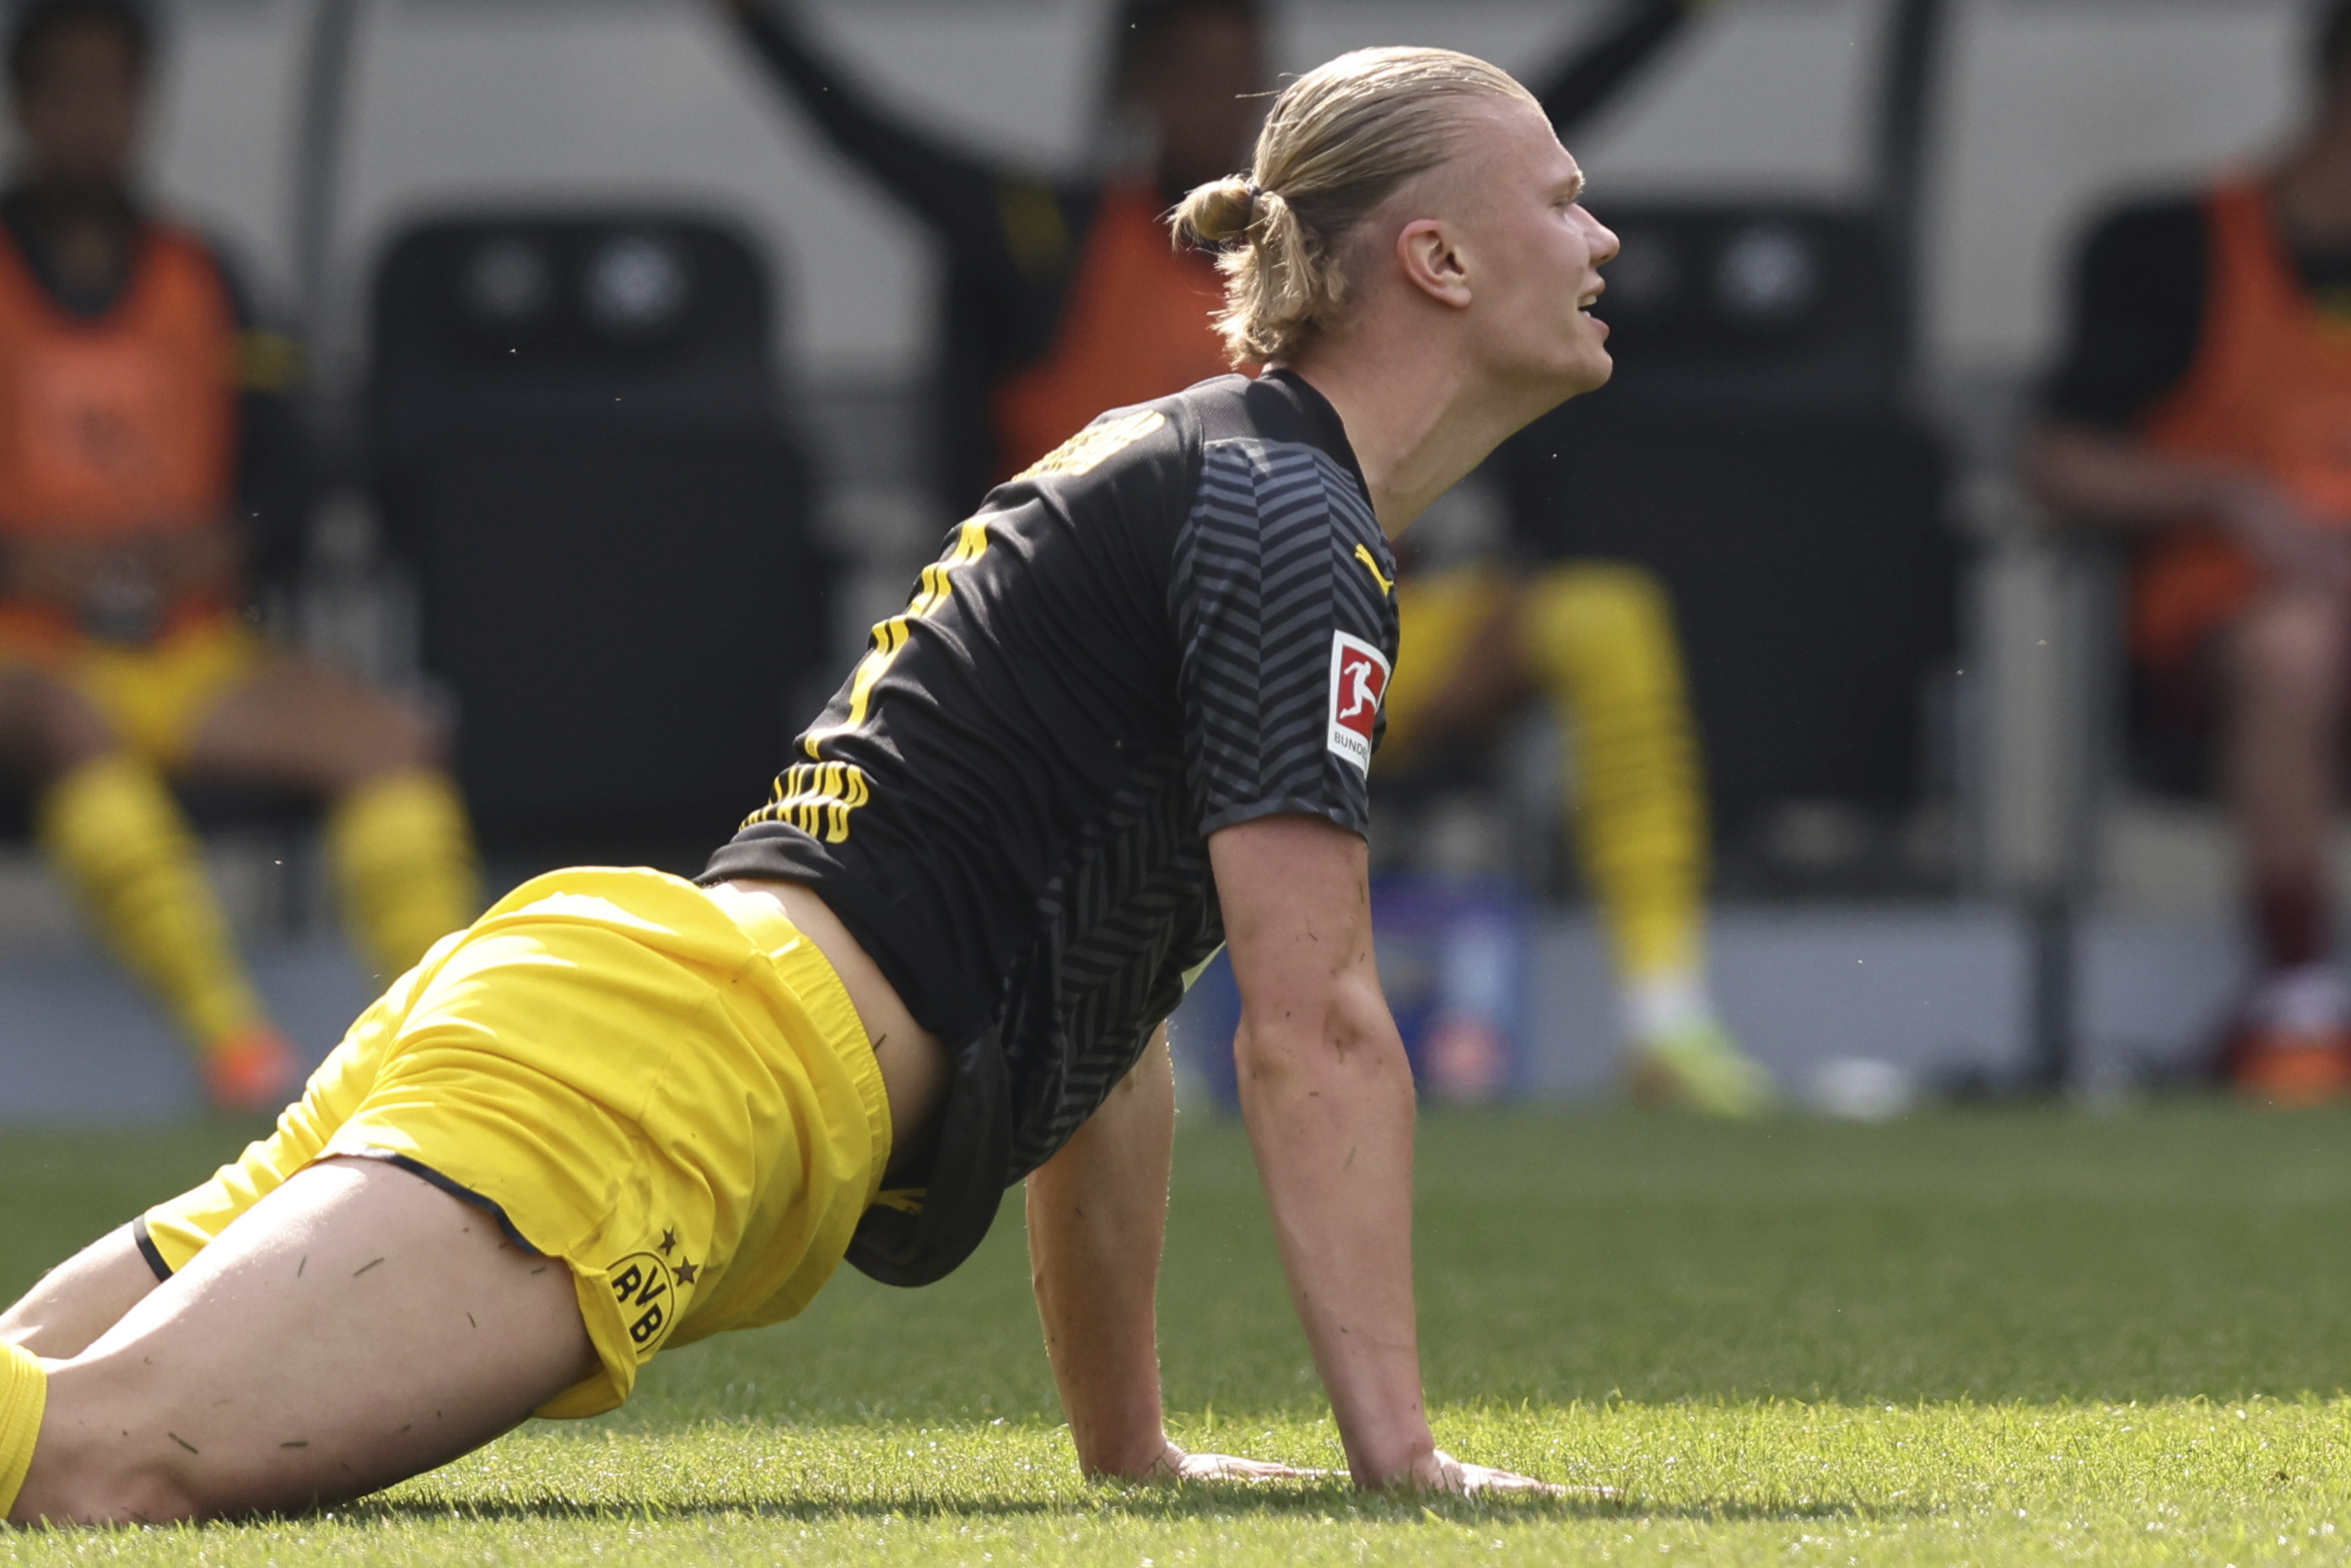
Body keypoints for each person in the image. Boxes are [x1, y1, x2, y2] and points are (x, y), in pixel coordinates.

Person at [0, 43, 1618, 1522]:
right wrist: (1400, 1461)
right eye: (1561, 196)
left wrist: (1131, 1450)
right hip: (665, 1076)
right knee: (99, 1469)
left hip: (619, 1010)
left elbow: (1110, 1021)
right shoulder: (1284, 520)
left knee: (40, 1428)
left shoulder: (1218, 471)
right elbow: (1318, 1017)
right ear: (1440, 258)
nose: (1601, 238)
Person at [725, 0, 1767, 1113]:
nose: (1221, 97)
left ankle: (1667, 1021)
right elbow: (866, 134)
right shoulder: (1050, 235)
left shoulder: (1350, 228)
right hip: (1131, 676)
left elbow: (1530, 125)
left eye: (1247, 70)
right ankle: (1128, 1053)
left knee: (1606, 618)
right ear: (1132, 90)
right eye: (1191, 69)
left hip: (1349, 631)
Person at [0, 0, 478, 1111]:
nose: (91, 117)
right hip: (27, 654)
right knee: (70, 724)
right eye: (65, 90)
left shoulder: (206, 271)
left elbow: (296, 473)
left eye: (112, 90)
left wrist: (223, 542)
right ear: (25, 107)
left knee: (389, 737)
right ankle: (237, 1053)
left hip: (190, 642)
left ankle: (445, 1040)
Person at [2025, 0, 2351, 1105]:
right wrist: (2229, 495)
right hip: (2219, 631)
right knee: (2297, 648)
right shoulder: (2170, 245)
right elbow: (2056, 460)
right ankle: (2299, 991)